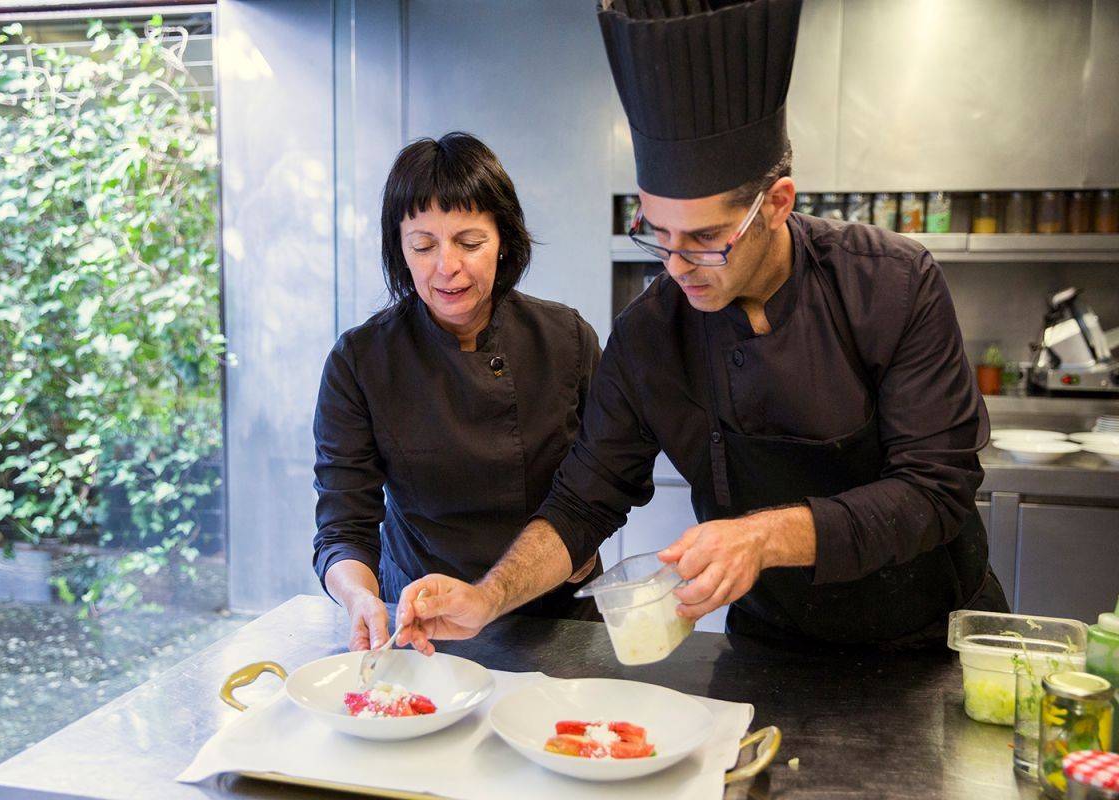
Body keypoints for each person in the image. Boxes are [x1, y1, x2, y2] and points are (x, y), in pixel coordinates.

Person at [394, 0, 1008, 654]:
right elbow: (581, 503)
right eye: (659, 234)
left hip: (931, 644)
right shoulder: (649, 338)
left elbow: (936, 490)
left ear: (776, 204)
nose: (679, 265)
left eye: (707, 237)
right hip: (774, 650)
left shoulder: (889, 283)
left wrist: (763, 537)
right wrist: (487, 596)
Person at [312, 132, 603, 652]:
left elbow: (601, 487)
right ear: (399, 250)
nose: (447, 266)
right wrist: (359, 597)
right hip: (423, 625)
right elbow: (343, 525)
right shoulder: (360, 362)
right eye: (423, 245)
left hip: (554, 619)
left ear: (505, 240)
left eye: (469, 242)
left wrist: (581, 542)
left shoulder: (567, 341)